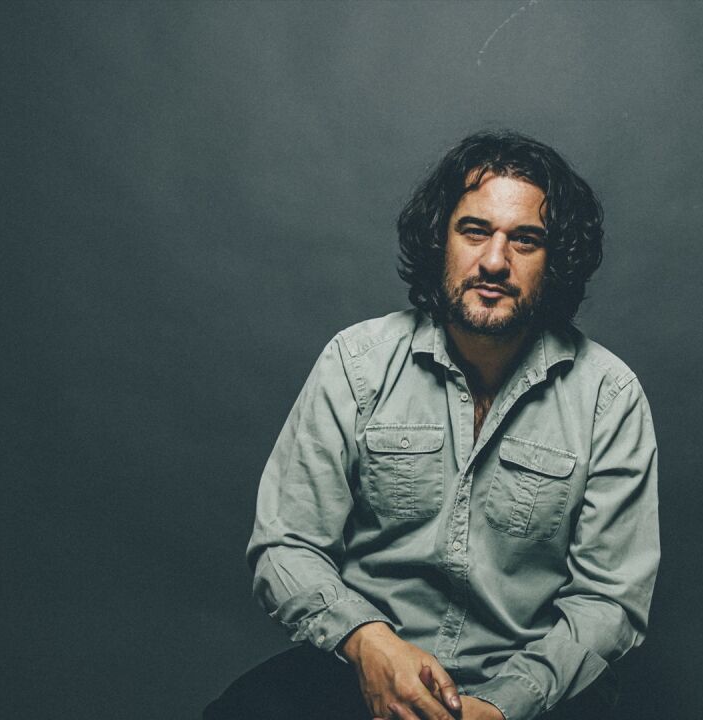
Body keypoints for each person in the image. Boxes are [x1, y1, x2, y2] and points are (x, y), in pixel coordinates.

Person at [205, 130, 659, 720]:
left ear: (556, 260)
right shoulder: (356, 363)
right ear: (439, 238)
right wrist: (368, 642)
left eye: (525, 240)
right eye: (474, 231)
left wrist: (500, 705)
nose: (494, 261)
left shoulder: (608, 396)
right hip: (366, 667)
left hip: (529, 688)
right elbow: (286, 544)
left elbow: (609, 601)